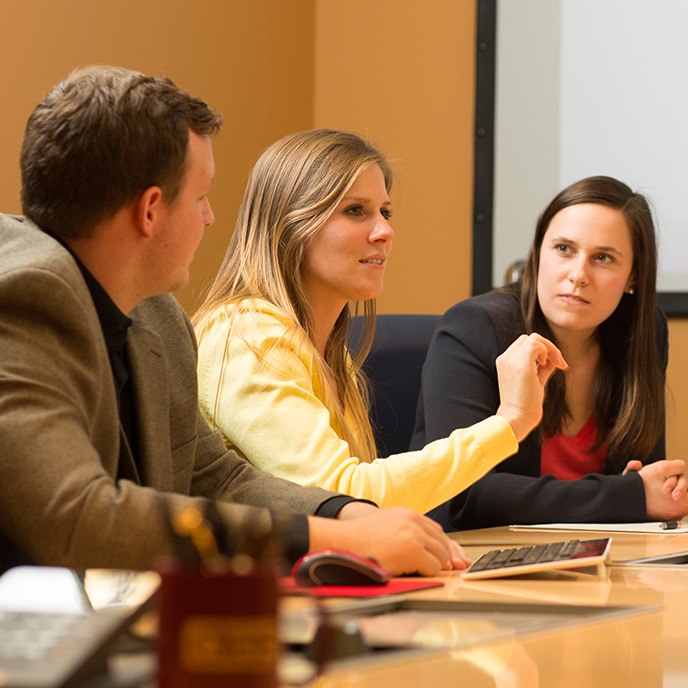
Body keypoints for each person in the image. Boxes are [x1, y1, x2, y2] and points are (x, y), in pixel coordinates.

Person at [0, 65, 476, 577]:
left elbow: (213, 475)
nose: (208, 217)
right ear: (151, 211)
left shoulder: (157, 314)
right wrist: (332, 536)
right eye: (201, 196)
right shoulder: (25, 294)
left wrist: (340, 510)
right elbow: (79, 520)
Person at [193, 129, 566, 514]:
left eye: (385, 212)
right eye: (356, 211)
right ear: (291, 224)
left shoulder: (337, 361)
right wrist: (510, 421)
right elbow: (342, 498)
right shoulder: (246, 337)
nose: (385, 231)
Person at [411, 175, 688, 530]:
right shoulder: (475, 328)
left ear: (633, 277)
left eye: (603, 258)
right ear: (538, 253)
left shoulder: (644, 330)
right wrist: (627, 496)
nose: (578, 274)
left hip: (600, 560)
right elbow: (463, 496)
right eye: (563, 249)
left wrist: (658, 490)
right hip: (468, 560)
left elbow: (646, 481)